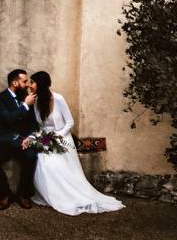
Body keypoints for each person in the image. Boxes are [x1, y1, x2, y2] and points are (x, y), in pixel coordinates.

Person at [26, 70, 124, 215]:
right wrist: (37, 138)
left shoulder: (58, 99)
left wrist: (56, 136)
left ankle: (70, 196)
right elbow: (40, 126)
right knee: (42, 162)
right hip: (46, 138)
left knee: (55, 166)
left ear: (40, 84)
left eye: (32, 82)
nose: (30, 85)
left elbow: (70, 122)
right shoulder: (35, 101)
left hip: (62, 138)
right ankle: (54, 195)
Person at [0, 68, 40, 210]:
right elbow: (7, 119)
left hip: (22, 141)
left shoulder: (26, 98)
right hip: (2, 140)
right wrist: (25, 106)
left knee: (31, 156)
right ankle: (5, 194)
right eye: (24, 81)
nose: (27, 84)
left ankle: (23, 194)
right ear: (15, 83)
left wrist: (30, 136)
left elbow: (33, 123)